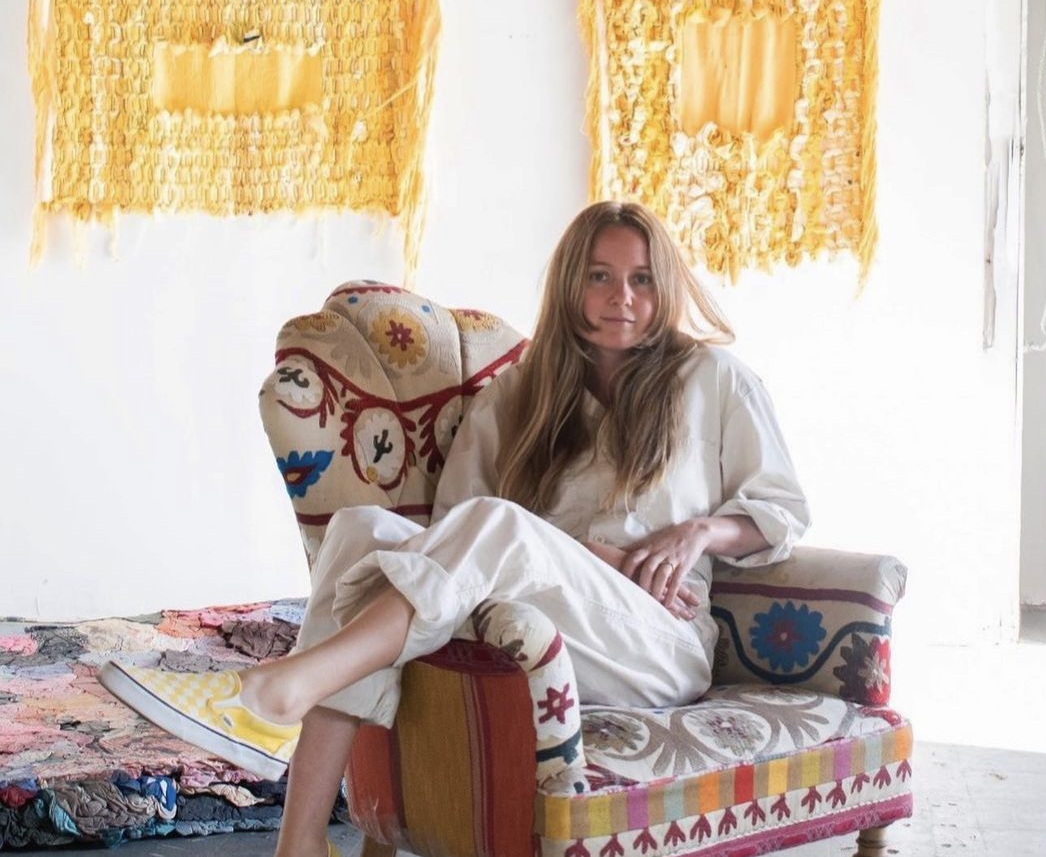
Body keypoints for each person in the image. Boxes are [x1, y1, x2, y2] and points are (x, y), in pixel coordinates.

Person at [101, 201, 809, 857]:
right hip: (544, 631)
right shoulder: (519, 394)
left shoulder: (714, 380)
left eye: (641, 279)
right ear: (571, 285)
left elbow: (780, 512)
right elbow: (453, 536)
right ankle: (302, 839)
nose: (621, 296)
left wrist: (698, 534)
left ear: (665, 286)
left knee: (498, 525)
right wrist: (584, 554)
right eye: (600, 276)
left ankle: (288, 687)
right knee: (360, 529)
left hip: (658, 642)